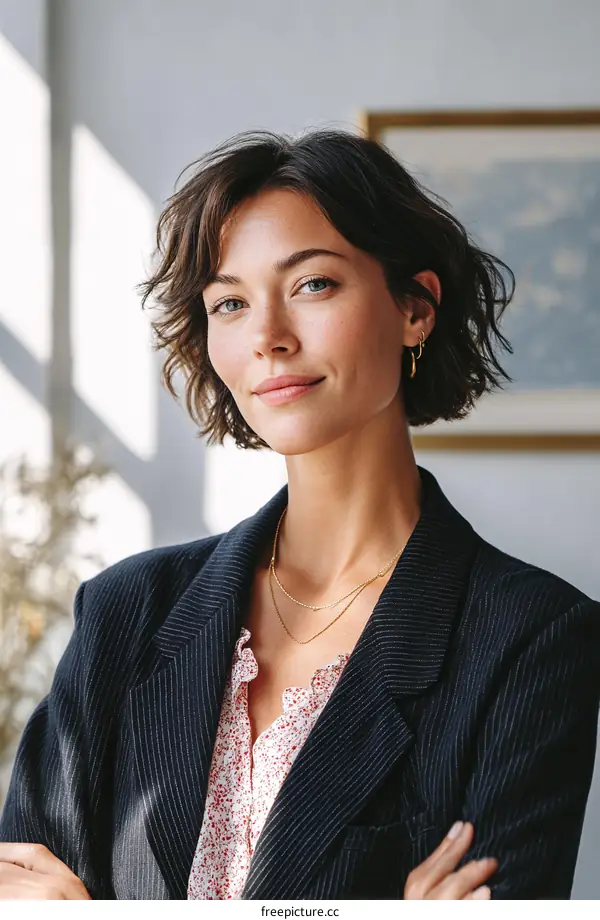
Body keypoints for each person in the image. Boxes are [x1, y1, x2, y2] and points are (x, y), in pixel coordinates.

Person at [1, 128, 599, 900]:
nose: (268, 338)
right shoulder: (124, 612)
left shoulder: (535, 638)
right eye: (230, 302)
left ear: (415, 308)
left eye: (313, 284)